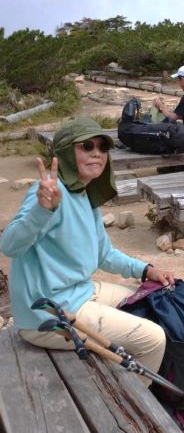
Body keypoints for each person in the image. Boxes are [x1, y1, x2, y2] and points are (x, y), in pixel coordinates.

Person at [0, 118, 175, 381]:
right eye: (87, 146)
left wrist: (146, 270)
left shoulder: (82, 193)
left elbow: (103, 254)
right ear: (66, 152)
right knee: (154, 339)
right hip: (48, 313)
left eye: (102, 148)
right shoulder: (49, 193)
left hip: (79, 293)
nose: (97, 153)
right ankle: (134, 401)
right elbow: (9, 245)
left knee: (149, 301)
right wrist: (42, 210)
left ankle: (132, 380)